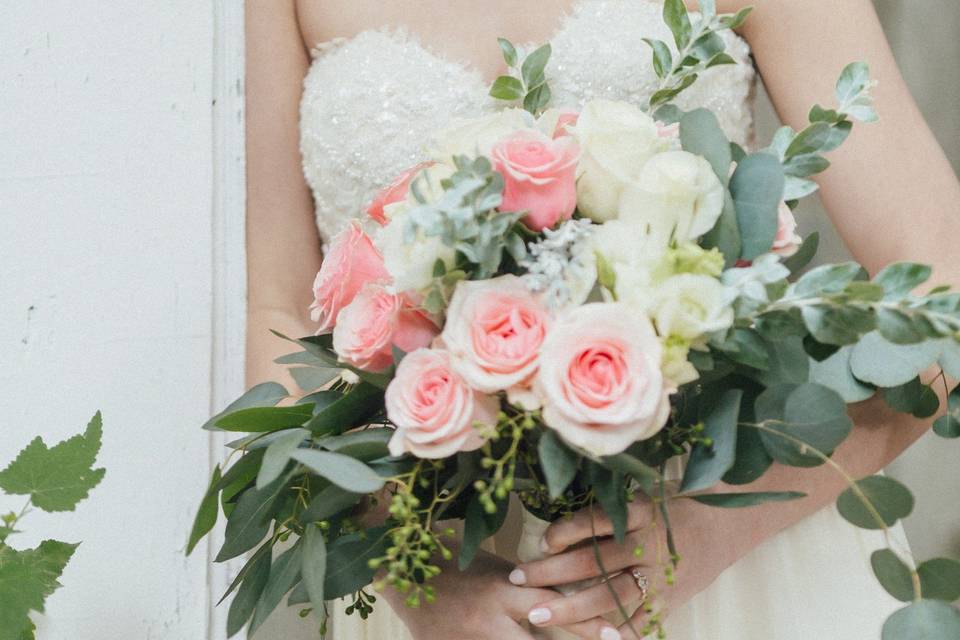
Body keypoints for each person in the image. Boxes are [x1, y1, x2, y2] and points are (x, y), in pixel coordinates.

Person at [244, 1, 960, 638]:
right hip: (434, 560)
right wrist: (416, 574)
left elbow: (945, 287)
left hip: (726, 551)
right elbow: (272, 311)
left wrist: (711, 531)